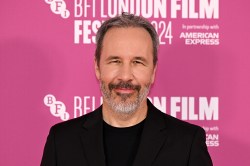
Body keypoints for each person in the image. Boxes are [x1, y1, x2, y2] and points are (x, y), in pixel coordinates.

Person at [41, 13, 213, 166]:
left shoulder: (187, 143)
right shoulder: (62, 141)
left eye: (137, 62)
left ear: (153, 71)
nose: (125, 76)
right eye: (115, 61)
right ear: (97, 67)